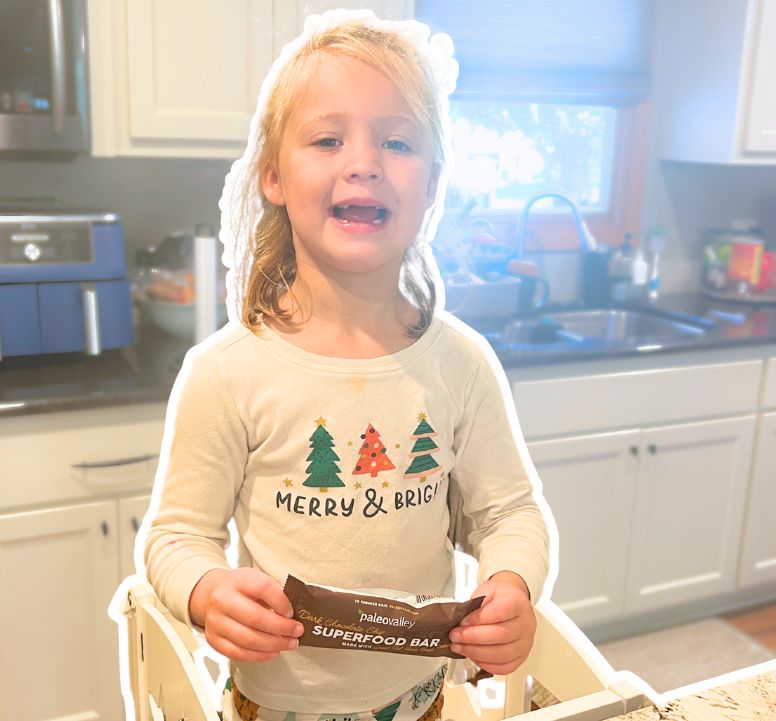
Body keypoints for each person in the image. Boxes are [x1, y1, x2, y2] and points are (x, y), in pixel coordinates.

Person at [142, 10, 554, 721]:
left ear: (430, 186)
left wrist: (513, 584)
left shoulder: (460, 364)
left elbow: (509, 511)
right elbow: (175, 535)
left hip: (421, 699)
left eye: (397, 141)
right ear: (273, 176)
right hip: (275, 708)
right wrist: (207, 591)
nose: (363, 161)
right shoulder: (225, 373)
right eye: (327, 139)